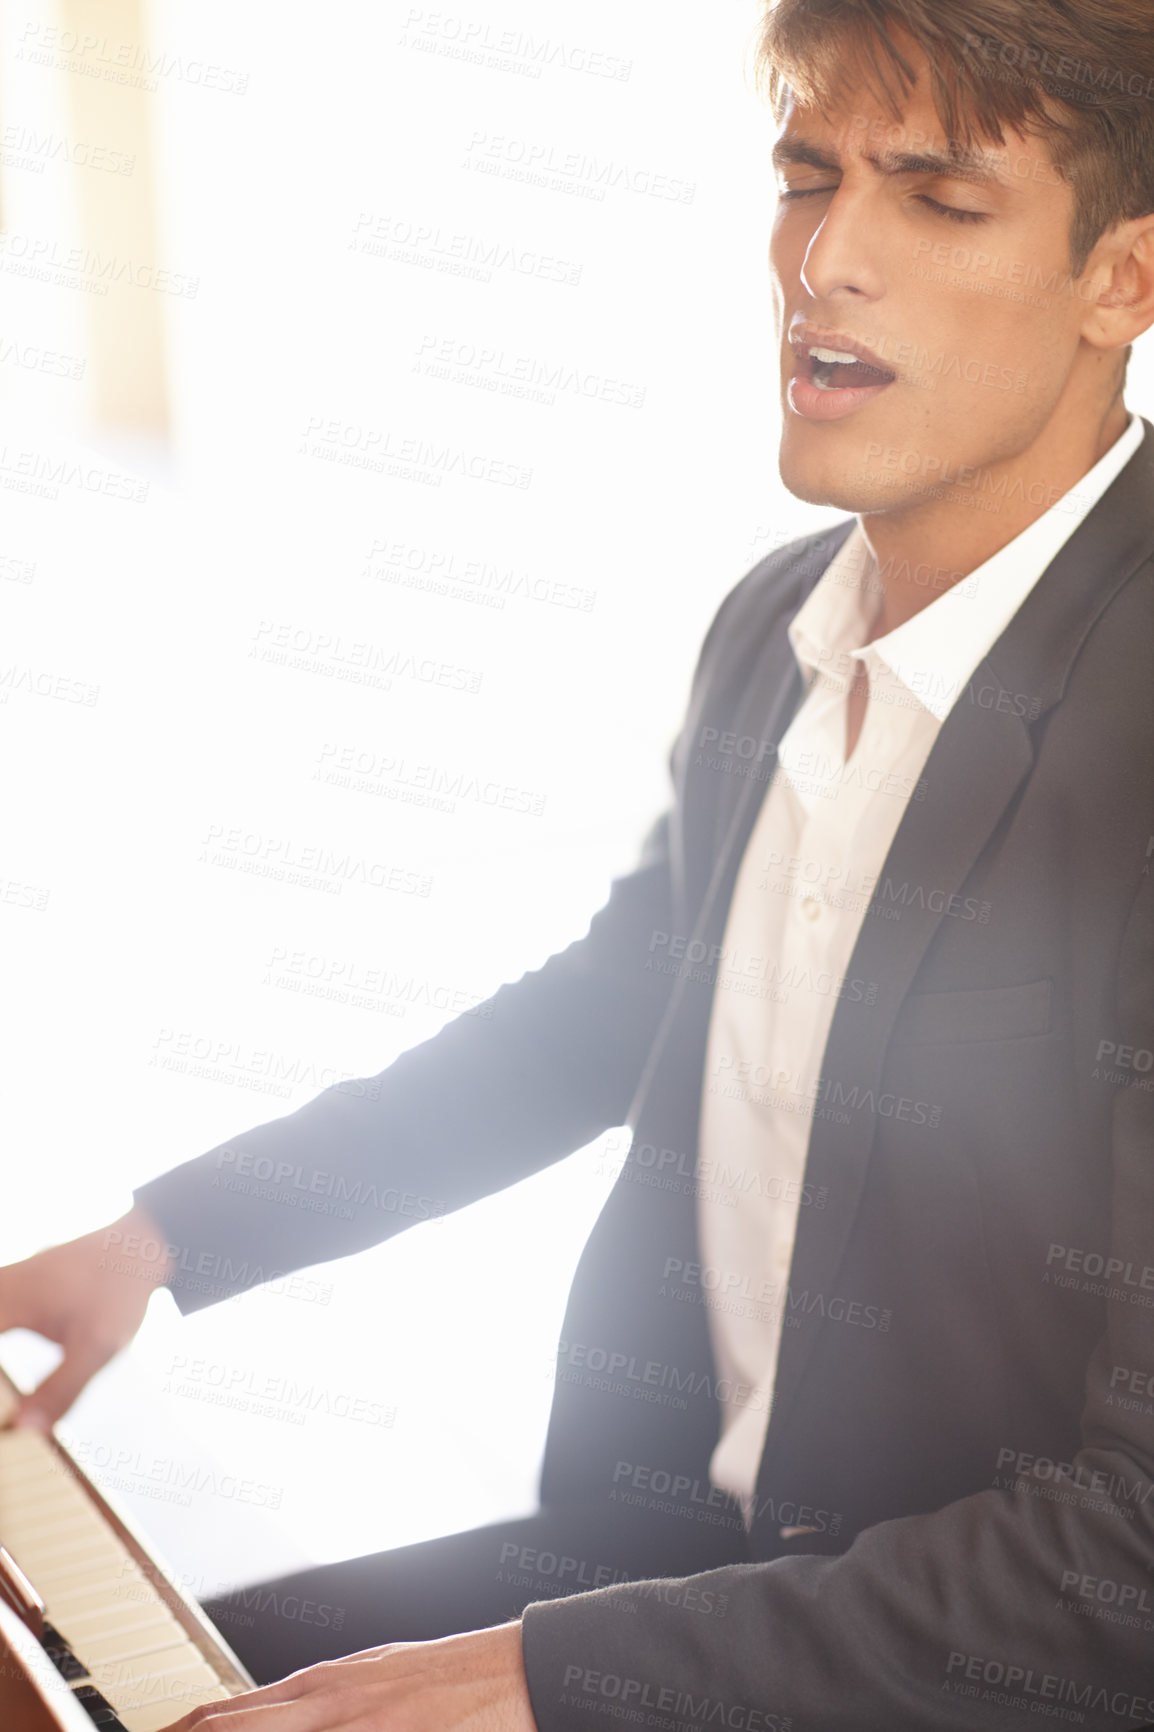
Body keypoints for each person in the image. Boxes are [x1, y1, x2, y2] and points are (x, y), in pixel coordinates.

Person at [4, 1, 1154, 1727]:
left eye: (935, 199)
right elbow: (609, 1010)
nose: (823, 259)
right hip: (659, 1557)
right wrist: (167, 1238)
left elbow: (1124, 1563)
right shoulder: (776, 626)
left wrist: (538, 1685)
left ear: (1118, 281)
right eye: (804, 178)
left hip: (941, 1657)